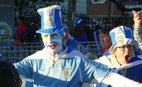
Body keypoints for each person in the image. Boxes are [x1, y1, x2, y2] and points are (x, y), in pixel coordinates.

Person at [14, 5, 142, 87]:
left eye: (54, 35)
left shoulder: (78, 60)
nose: (50, 41)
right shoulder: (33, 61)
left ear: (63, 33)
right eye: (46, 36)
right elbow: (8, 71)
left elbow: (108, 76)